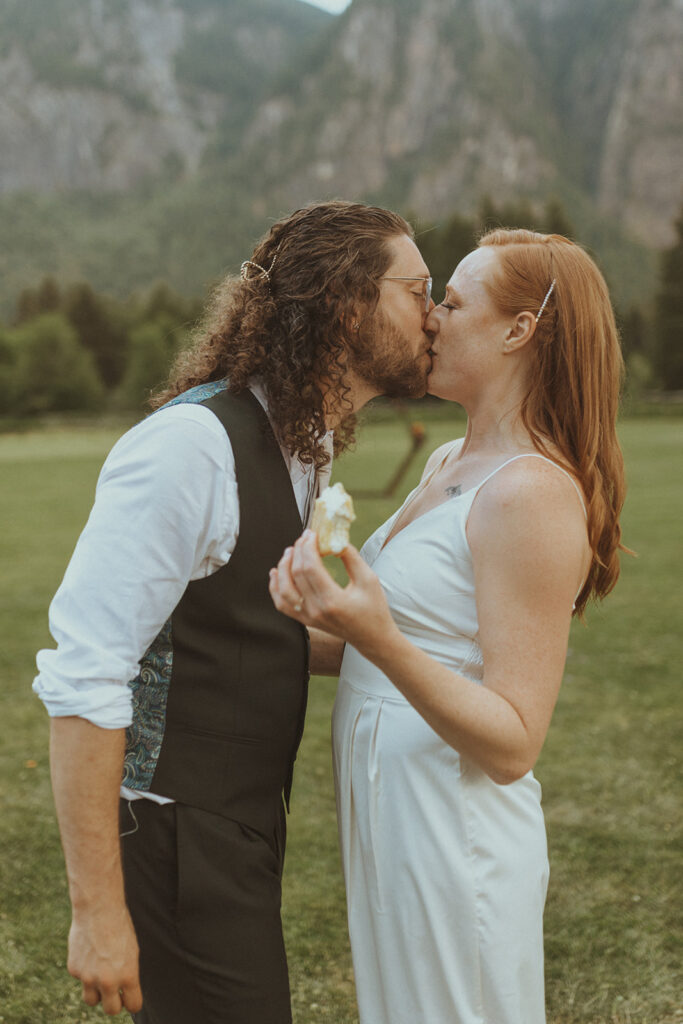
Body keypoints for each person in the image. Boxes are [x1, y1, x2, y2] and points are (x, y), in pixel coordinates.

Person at [33, 199, 435, 1023]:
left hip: (239, 831)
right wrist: (99, 915)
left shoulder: (301, 448)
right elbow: (85, 676)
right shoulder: (191, 449)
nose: (436, 314)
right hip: (174, 839)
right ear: (347, 301)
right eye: (419, 289)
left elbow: (242, 633)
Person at [270, 228, 627, 1024]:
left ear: (516, 331)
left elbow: (512, 740)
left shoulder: (527, 494)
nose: (428, 318)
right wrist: (276, 628)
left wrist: (377, 634)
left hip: (452, 833)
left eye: (453, 303)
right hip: (394, 820)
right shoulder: (447, 465)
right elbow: (398, 652)